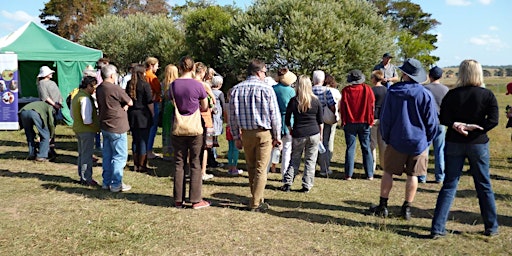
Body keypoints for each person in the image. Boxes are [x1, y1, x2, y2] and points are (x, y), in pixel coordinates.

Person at [431, 59, 499, 239]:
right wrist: (475, 127)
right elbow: (494, 119)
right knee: (484, 184)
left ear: (461, 73)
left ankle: (437, 228)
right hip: (478, 143)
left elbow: (443, 116)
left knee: (449, 185)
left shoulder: (452, 95)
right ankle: (491, 227)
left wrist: (456, 124)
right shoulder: (487, 95)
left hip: (454, 142)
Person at [370, 58, 437, 220]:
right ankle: (406, 209)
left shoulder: (393, 92)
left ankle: (383, 205)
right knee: (413, 175)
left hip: (396, 139)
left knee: (388, 172)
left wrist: (387, 137)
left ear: (404, 74)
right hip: (418, 141)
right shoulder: (425, 94)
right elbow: (432, 122)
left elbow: (386, 119)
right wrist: (427, 140)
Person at [229, 59, 281, 212]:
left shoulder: (236, 89)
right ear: (259, 72)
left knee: (251, 167)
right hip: (263, 133)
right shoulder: (266, 89)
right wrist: (277, 136)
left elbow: (232, 117)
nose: (265, 75)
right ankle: (256, 202)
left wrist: (236, 136)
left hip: (246, 132)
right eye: (265, 72)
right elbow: (274, 115)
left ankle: (256, 196)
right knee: (261, 168)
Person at [171, 56, 210, 209]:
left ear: (180, 67)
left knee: (179, 163)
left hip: (178, 127)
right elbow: (205, 106)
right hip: (194, 128)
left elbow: (171, 100)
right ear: (193, 68)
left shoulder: (173, 85)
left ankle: (178, 200)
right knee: (195, 163)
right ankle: (195, 200)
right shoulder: (198, 85)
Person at [280, 75, 323, 193]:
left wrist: (290, 129)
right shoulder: (315, 101)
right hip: (314, 132)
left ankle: (288, 182)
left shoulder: (294, 101)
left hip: (299, 132)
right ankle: (307, 185)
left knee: (295, 159)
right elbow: (320, 121)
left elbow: (287, 119)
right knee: (310, 160)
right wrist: (321, 135)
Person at [96, 64, 133, 192]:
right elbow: (130, 101)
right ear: (112, 75)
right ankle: (116, 183)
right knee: (119, 156)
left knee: (107, 155)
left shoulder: (99, 88)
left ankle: (106, 182)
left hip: (105, 125)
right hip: (117, 126)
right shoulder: (115, 88)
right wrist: (126, 106)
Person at [339, 70, 375, 180]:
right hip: (364, 121)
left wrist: (343, 121)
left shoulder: (346, 90)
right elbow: (372, 105)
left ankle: (348, 174)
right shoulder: (367, 89)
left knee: (350, 148)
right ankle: (369, 174)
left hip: (350, 122)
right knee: (366, 147)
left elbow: (343, 107)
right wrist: (371, 120)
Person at [417, 66, 450, 184]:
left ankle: (421, 176)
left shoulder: (424, 89)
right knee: (439, 150)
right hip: (440, 123)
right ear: (440, 76)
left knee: (423, 150)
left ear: (429, 76)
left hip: (426, 124)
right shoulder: (445, 90)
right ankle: (440, 176)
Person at [70, 76, 100, 186]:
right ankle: (86, 178)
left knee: (82, 154)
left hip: (78, 128)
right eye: (94, 87)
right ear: (88, 86)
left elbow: (72, 114)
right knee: (87, 155)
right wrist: (96, 127)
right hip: (86, 130)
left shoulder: (76, 96)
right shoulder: (85, 99)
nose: (94, 90)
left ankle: (82, 175)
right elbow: (87, 119)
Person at [126, 65, 154, 173]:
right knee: (143, 141)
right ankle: (142, 165)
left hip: (132, 114)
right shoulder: (145, 85)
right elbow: (149, 102)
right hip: (143, 114)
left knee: (135, 139)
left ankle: (136, 164)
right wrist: (152, 114)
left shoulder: (130, 84)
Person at [271, 67, 297, 175]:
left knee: (272, 147)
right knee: (287, 148)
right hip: (288, 120)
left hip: (274, 119)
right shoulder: (291, 91)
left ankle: (267, 169)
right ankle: (284, 172)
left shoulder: (272, 88)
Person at [311, 70, 336, 177]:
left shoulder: (309, 90)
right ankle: (324, 168)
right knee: (325, 143)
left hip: (312, 119)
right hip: (325, 120)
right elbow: (332, 105)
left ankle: (310, 168)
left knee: (311, 145)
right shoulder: (327, 91)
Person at [194, 62, 216, 180]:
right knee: (206, 146)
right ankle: (203, 172)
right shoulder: (204, 85)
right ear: (202, 72)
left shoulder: (190, 84)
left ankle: (192, 170)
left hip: (193, 117)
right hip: (205, 116)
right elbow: (213, 100)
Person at [37, 65, 63, 160]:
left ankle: (51, 149)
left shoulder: (52, 82)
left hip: (55, 108)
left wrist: (59, 103)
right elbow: (45, 96)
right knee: (47, 128)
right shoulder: (42, 83)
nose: (52, 74)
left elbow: (57, 94)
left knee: (52, 128)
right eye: (50, 73)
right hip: (48, 108)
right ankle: (45, 149)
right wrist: (54, 104)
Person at [369, 70, 387, 173]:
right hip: (383, 119)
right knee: (383, 144)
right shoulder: (386, 90)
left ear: (374, 79)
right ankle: (384, 166)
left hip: (373, 118)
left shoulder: (371, 90)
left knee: (372, 144)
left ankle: (372, 166)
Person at [145, 57, 162, 159]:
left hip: (144, 105)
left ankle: (145, 149)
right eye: (156, 65)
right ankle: (149, 150)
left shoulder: (143, 75)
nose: (157, 67)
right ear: (151, 65)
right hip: (153, 103)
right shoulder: (152, 77)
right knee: (152, 127)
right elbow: (158, 90)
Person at [161, 64, 179, 161]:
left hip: (166, 108)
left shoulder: (163, 83)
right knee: (174, 129)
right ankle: (174, 152)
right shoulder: (177, 83)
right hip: (173, 107)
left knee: (166, 130)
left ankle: (166, 153)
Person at [224, 88, 243, 176]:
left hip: (228, 127)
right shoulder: (237, 105)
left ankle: (230, 167)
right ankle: (234, 167)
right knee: (236, 149)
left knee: (230, 148)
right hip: (236, 127)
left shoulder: (226, 105)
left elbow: (225, 118)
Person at [211, 75, 226, 167]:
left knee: (211, 137)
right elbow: (223, 104)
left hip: (211, 115)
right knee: (214, 138)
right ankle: (213, 156)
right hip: (217, 115)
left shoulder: (209, 91)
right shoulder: (220, 93)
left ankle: (213, 155)